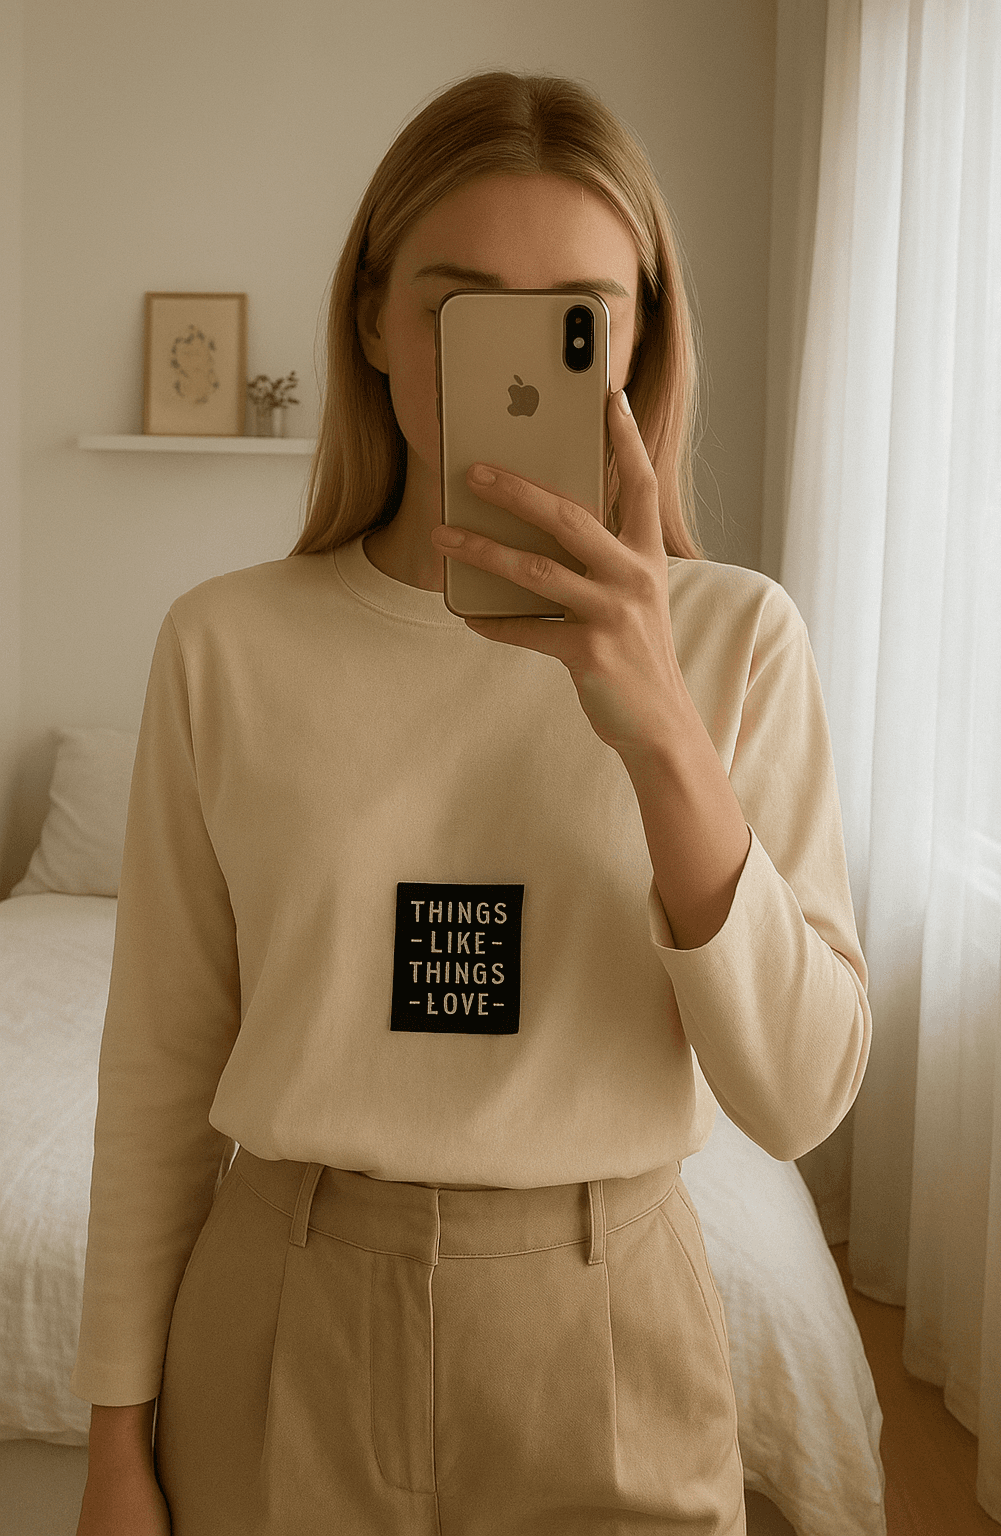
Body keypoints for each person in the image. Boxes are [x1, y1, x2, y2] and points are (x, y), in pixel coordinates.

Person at [72, 69, 871, 1536]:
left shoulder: (739, 639)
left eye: (576, 314)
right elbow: (157, 1072)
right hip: (279, 1313)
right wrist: (117, 1441)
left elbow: (802, 1093)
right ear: (375, 318)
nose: (512, 364)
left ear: (637, 340)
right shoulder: (225, 642)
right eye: (460, 300)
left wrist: (661, 736)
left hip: (610, 1327)